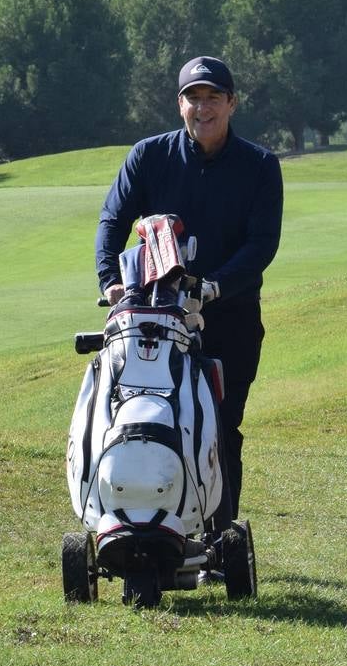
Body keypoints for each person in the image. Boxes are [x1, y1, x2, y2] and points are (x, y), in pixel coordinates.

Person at [97, 55, 283, 536]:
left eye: (213, 98)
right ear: (180, 104)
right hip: (154, 324)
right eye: (193, 98)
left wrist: (213, 286)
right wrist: (109, 280)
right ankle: (149, 528)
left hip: (230, 320)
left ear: (231, 103)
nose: (203, 108)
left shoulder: (260, 166)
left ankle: (221, 542)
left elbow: (261, 245)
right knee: (147, 420)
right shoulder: (149, 156)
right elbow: (113, 221)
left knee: (220, 431)